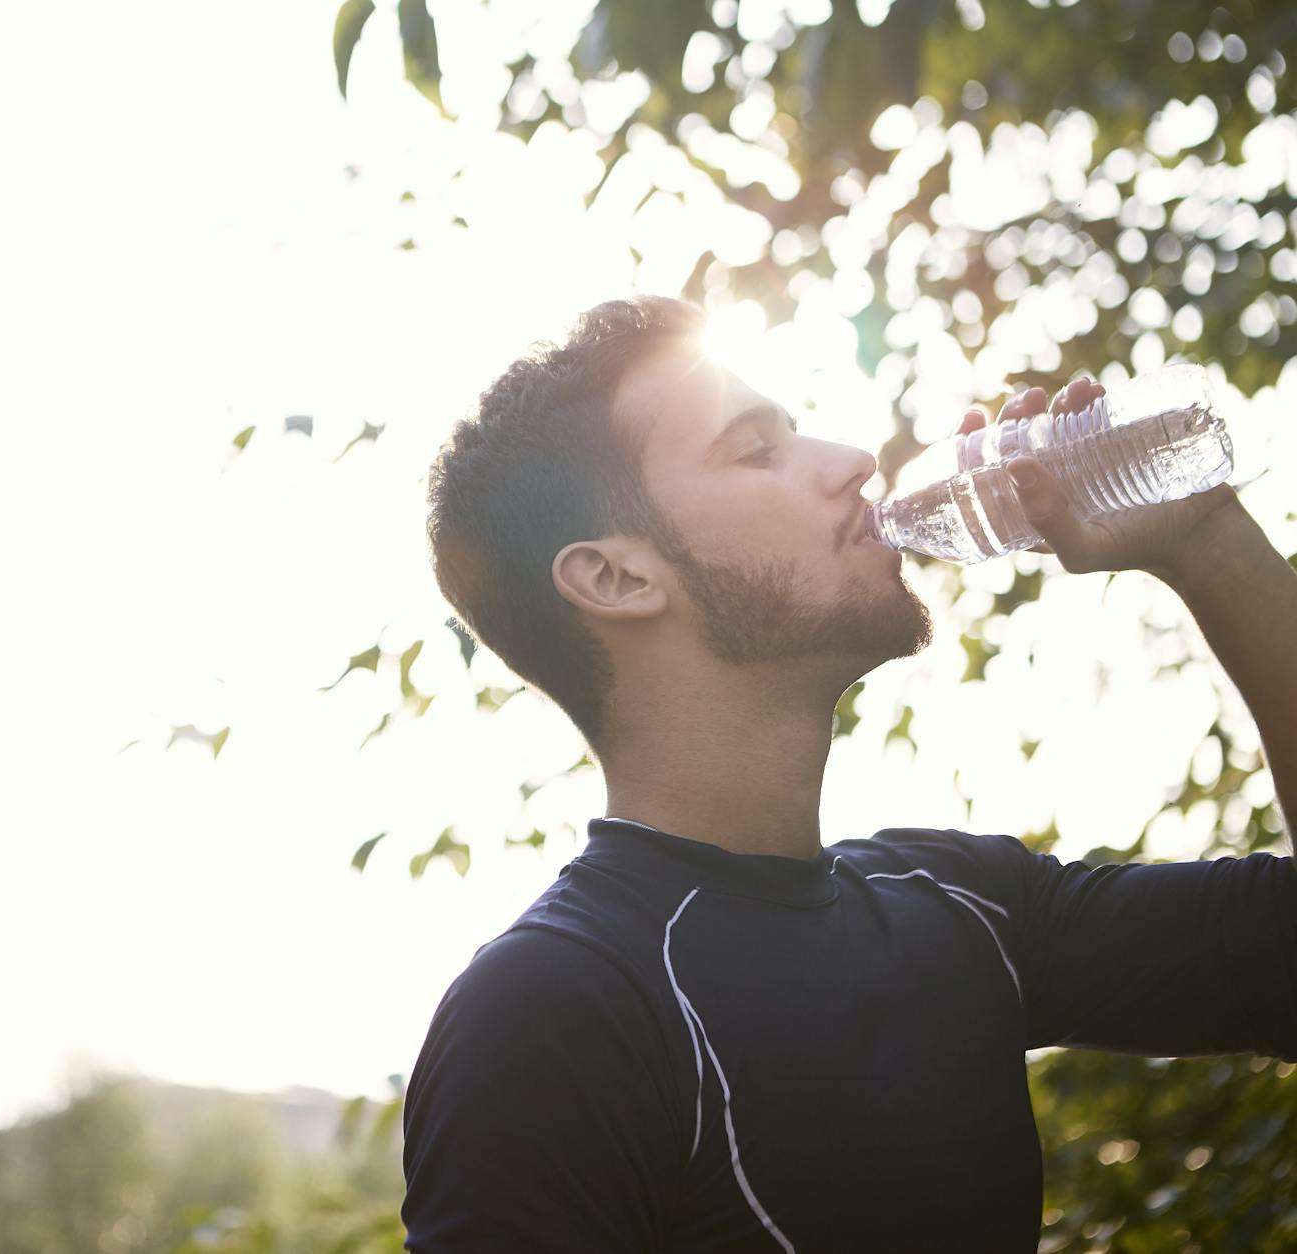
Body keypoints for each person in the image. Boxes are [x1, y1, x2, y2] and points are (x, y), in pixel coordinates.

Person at [402, 295, 1297, 1251]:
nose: (854, 462)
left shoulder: (960, 903)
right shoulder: (553, 1011)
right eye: (757, 450)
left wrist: (1206, 539)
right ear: (618, 578)